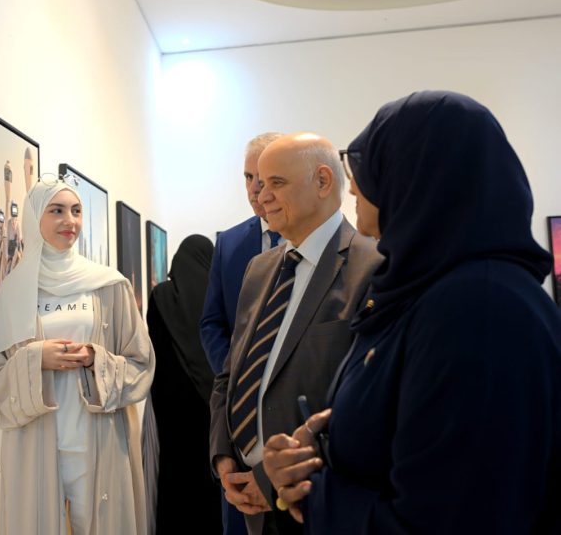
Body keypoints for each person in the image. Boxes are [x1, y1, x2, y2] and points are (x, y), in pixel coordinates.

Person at [263, 91, 561, 534]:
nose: (357, 184)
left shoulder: (478, 310)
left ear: (421, 176)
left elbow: (445, 521)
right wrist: (322, 450)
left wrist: (311, 491)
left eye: (372, 162)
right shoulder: (423, 292)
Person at [209, 133, 381, 535]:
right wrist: (223, 457)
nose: (260, 195)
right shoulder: (259, 269)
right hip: (244, 498)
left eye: (276, 183)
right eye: (257, 182)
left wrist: (269, 479)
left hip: (315, 499)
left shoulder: (372, 267)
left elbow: (361, 404)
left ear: (323, 181)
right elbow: (230, 373)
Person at [0, 178, 155, 534]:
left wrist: (95, 359)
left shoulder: (109, 286)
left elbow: (140, 364)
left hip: (98, 438)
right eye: (56, 211)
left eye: (76, 211)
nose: (69, 221)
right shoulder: (12, 294)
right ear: (34, 219)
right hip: (36, 440)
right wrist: (35, 358)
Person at [201, 132, 284, 535]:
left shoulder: (322, 248)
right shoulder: (230, 243)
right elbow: (212, 322)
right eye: (248, 177)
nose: (255, 188)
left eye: (265, 177)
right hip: (240, 414)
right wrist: (232, 374)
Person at [144, 234, 221, 533]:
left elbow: (154, 353)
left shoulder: (161, 296)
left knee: (175, 485)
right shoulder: (219, 297)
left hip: (171, 412)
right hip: (211, 410)